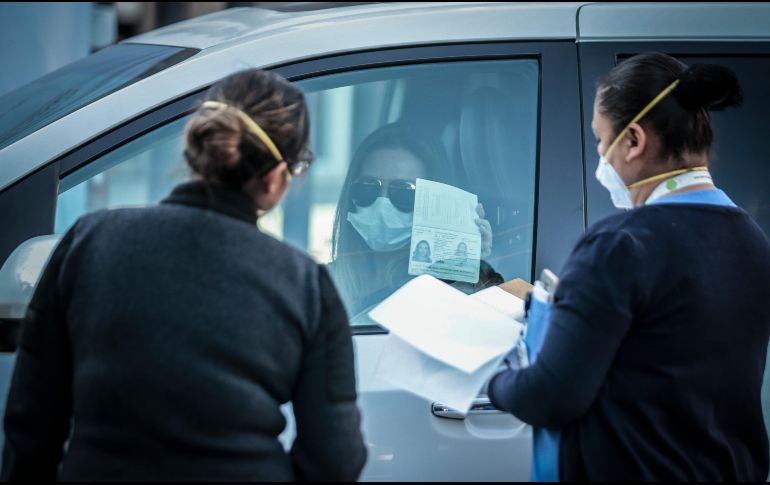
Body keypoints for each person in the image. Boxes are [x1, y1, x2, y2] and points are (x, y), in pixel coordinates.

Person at [1, 69, 367, 481]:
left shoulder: (90, 242)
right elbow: (335, 459)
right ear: (276, 177)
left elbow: (31, 424)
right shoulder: (304, 286)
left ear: (199, 148)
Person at [488, 52, 770, 481]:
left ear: (634, 140)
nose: (601, 156)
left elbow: (550, 396)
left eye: (601, 141)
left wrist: (486, 379)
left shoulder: (619, 246)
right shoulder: (753, 241)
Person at [329, 123, 499, 318]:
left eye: (404, 192)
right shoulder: (319, 283)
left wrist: (472, 273)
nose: (382, 205)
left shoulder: (441, 287)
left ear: (435, 202)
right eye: (367, 188)